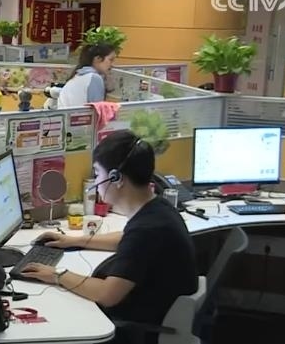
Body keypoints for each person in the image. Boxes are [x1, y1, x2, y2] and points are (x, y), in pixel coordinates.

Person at [21, 130, 197, 344]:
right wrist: (73, 240)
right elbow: (126, 240)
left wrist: (56, 274)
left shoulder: (147, 230)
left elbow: (107, 295)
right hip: (158, 312)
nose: (96, 180)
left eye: (97, 173)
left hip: (140, 330)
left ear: (116, 178)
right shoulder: (157, 208)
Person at [57, 43, 116, 108]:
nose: (112, 65)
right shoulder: (94, 78)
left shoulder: (78, 75)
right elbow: (98, 110)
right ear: (98, 58)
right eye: (110, 60)